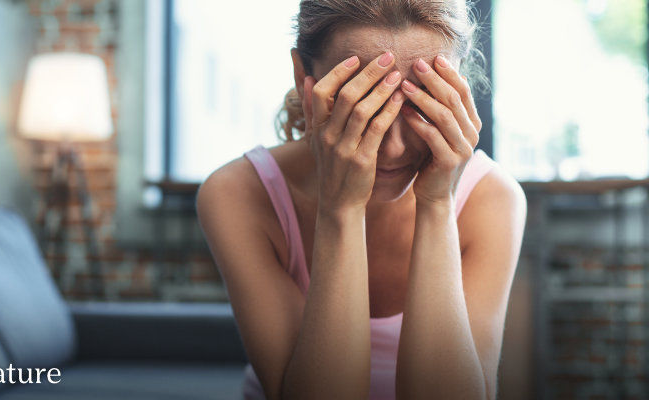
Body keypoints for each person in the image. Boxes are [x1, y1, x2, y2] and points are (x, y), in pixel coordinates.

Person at [195, 1, 527, 399]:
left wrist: (438, 204)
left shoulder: (492, 198)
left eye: (422, 103)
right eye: (364, 102)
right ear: (305, 76)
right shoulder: (239, 194)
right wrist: (341, 210)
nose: (392, 148)